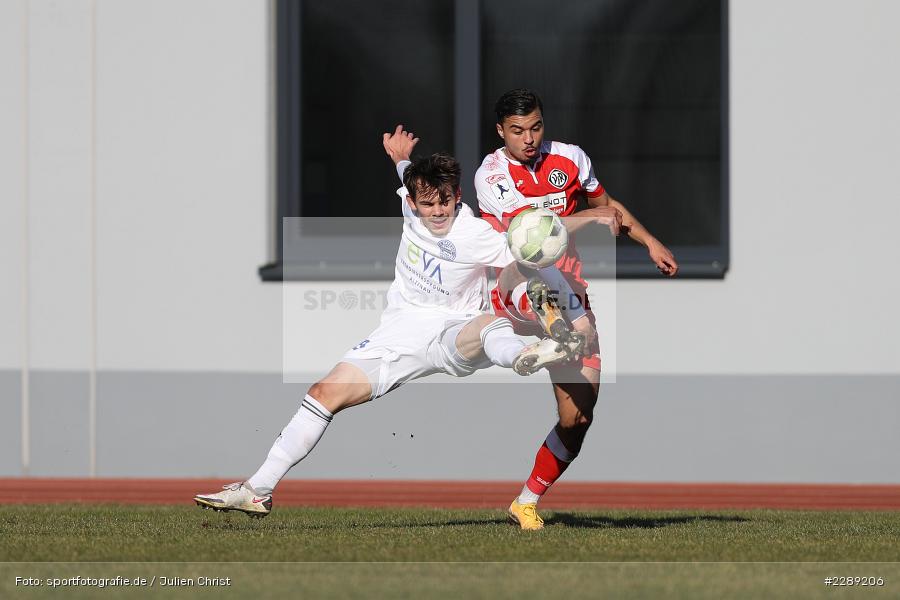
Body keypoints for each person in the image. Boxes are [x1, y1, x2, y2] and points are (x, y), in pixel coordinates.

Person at [193, 131, 586, 517]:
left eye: (446, 202)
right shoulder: (411, 198)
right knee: (322, 394)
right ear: (412, 202)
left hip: (453, 331)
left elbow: (531, 259)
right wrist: (399, 157)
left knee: (486, 325)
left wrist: (572, 312)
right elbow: (406, 173)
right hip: (397, 334)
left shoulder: (476, 234)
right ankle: (257, 490)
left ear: (458, 196)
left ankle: (528, 353)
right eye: (428, 203)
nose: (437, 211)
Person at [474, 88, 679, 530]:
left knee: (578, 416)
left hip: (571, 294)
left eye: (535, 127)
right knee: (532, 272)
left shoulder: (569, 159)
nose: (528, 138)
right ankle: (554, 332)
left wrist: (650, 241)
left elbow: (608, 208)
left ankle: (525, 503)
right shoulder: (490, 175)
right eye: (517, 131)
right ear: (500, 132)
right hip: (514, 283)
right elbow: (529, 231)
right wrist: (591, 220)